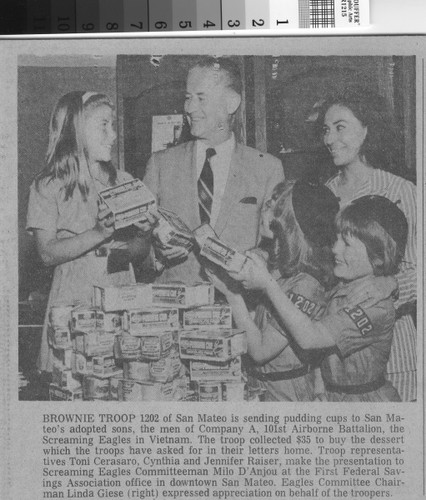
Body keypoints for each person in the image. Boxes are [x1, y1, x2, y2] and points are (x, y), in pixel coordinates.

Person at [210, 195, 407, 402]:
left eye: (347, 244)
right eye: (337, 239)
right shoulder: (343, 282)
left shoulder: (374, 304)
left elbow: (310, 338)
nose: (335, 249)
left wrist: (267, 285)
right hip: (333, 397)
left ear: (377, 256)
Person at [26, 91, 150, 373]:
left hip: (121, 293)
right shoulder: (48, 186)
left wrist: (143, 235)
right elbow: (46, 253)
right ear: (76, 131)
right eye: (103, 125)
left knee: (122, 382)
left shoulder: (125, 182)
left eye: (113, 126)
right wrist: (98, 233)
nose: (113, 135)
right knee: (74, 380)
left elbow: (138, 256)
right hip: (73, 298)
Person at [143, 56, 284, 284]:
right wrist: (156, 254)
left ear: (231, 103)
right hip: (176, 309)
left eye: (201, 98)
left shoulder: (268, 168)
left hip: (238, 311)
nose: (189, 108)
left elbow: (278, 244)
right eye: (188, 98)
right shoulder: (161, 164)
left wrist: (258, 258)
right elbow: (137, 247)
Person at [318, 87, 417, 401]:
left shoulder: (402, 190)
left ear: (366, 130)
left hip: (394, 361)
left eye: (340, 127)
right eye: (326, 130)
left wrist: (391, 283)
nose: (330, 139)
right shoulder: (322, 195)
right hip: (334, 363)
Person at [206, 179, 340, 401]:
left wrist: (233, 294)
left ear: (291, 223)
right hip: (262, 385)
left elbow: (260, 352)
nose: (265, 207)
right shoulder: (279, 268)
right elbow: (259, 323)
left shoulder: (306, 284)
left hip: (286, 393)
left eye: (275, 206)